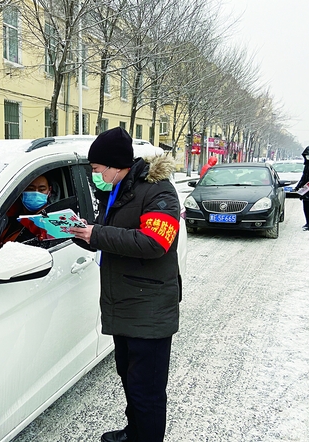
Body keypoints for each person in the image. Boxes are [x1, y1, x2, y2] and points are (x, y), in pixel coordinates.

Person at [70, 127, 181, 442]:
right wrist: (77, 232)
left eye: (96, 169)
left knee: (147, 392)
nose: (95, 175)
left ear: (114, 165)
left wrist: (97, 234)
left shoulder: (159, 191)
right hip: (124, 305)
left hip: (149, 309)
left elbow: (155, 242)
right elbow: (109, 240)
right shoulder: (117, 191)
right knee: (131, 381)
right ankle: (135, 433)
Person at [0, 175, 52, 253]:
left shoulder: (52, 219)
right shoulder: (7, 215)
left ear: (49, 191)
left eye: (42, 189)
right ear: (22, 190)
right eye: (31, 189)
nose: (36, 193)